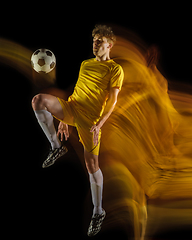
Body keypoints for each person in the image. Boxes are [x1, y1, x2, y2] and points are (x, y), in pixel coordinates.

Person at [31, 24, 124, 237]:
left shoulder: (115, 69)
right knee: (38, 101)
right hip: (72, 108)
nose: (95, 44)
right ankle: (56, 147)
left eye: (99, 41)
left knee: (92, 166)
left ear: (109, 45)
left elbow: (112, 101)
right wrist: (65, 118)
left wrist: (99, 124)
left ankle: (98, 211)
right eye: (94, 41)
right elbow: (78, 90)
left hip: (90, 120)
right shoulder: (85, 64)